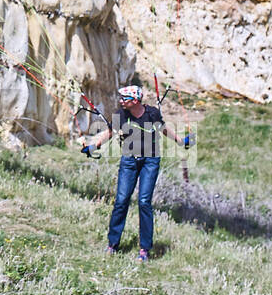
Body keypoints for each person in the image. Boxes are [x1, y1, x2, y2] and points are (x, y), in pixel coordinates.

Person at [81, 78, 193, 261]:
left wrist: (182, 141)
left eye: (124, 98)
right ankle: (112, 244)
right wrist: (93, 147)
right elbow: (109, 132)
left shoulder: (152, 114)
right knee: (121, 201)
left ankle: (144, 249)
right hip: (129, 161)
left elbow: (164, 130)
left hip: (150, 161)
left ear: (135, 100)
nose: (121, 101)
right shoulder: (121, 115)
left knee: (144, 202)